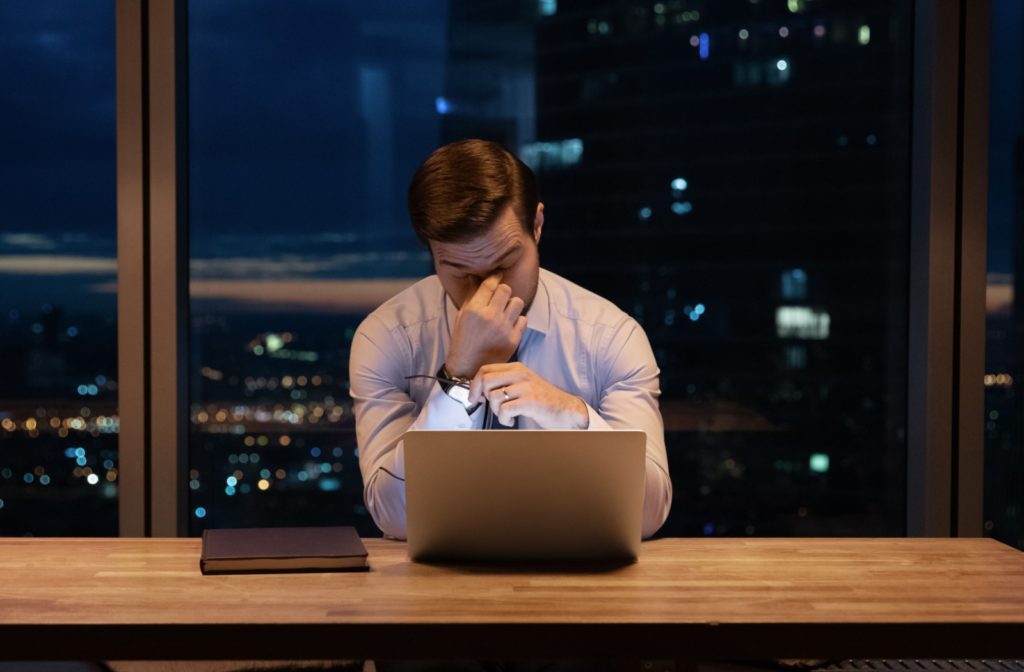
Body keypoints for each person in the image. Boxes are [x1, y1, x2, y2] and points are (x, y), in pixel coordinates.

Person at [349, 139, 672, 541]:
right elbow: (395, 518)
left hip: (580, 585)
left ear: (537, 225)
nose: (487, 292)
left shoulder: (609, 337)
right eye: (459, 270)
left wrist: (572, 415)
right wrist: (457, 380)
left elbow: (649, 512)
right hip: (431, 592)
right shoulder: (388, 339)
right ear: (430, 251)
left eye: (505, 264)